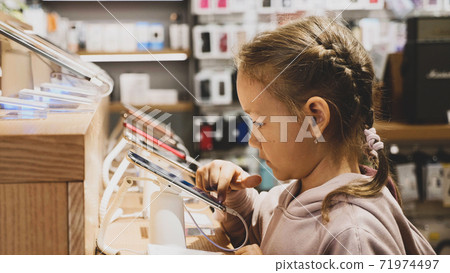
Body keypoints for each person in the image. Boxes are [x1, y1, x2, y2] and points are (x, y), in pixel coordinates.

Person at [195, 16, 435, 255]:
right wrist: (238, 200)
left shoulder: (353, 237)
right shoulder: (298, 194)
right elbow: (265, 226)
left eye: (259, 122)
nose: (252, 139)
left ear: (315, 118)